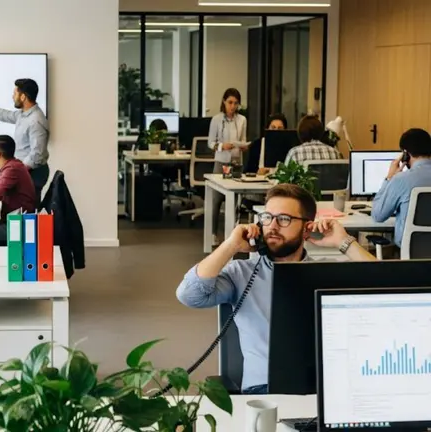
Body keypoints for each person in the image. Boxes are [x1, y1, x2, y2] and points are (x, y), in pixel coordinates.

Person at [176, 184, 375, 394]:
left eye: (284, 219)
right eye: (267, 217)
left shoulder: (326, 271)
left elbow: (388, 286)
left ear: (307, 227)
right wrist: (230, 246)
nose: (272, 226)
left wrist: (344, 242)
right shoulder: (241, 273)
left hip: (327, 388)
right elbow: (189, 295)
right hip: (264, 389)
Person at [0, 79, 50, 201]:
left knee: (27, 211)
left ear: (23, 97)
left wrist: (17, 170)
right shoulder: (23, 114)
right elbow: (3, 114)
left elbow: (37, 154)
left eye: (15, 93)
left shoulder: (35, 120)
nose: (12, 96)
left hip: (32, 172)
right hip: (23, 170)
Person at [372, 128, 431, 247]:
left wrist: (389, 178)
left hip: (411, 253)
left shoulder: (401, 179)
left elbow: (378, 216)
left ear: (405, 154)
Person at [208, 88, 248, 244]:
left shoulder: (242, 120)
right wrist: (221, 146)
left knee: (236, 200)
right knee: (216, 199)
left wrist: (244, 146)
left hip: (237, 162)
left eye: (236, 103)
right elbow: (210, 143)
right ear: (224, 102)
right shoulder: (217, 119)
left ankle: (232, 236)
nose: (232, 106)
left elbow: (243, 139)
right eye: (230, 102)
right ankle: (213, 233)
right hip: (221, 161)